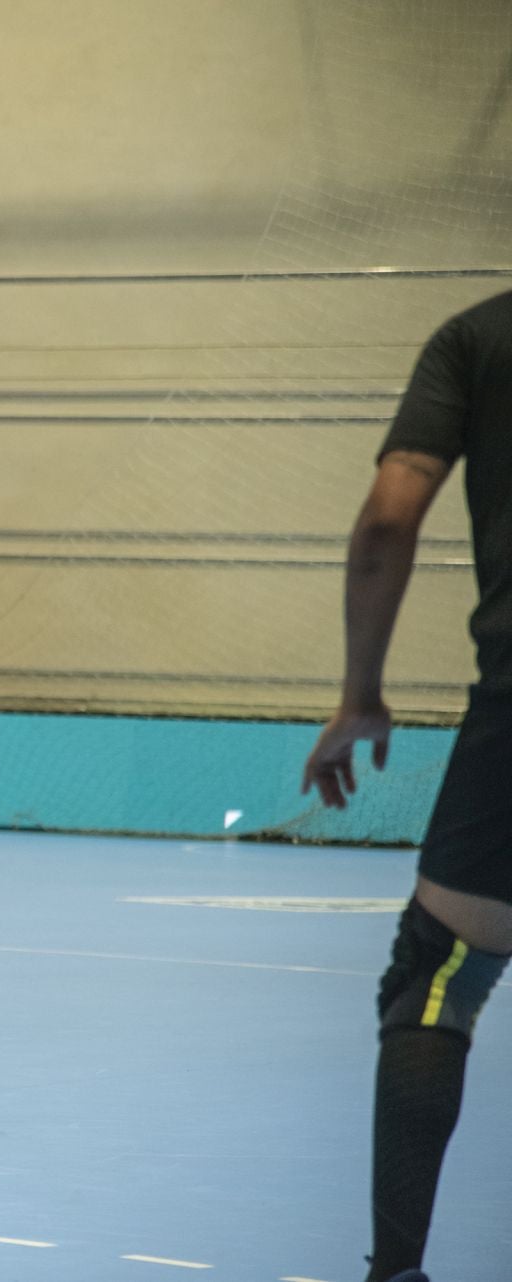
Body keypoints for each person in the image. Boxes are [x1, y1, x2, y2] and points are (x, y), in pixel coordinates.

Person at [300, 290, 512, 1282]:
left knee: (440, 980)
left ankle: (398, 1272)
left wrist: (361, 695)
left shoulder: (477, 338)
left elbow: (389, 519)